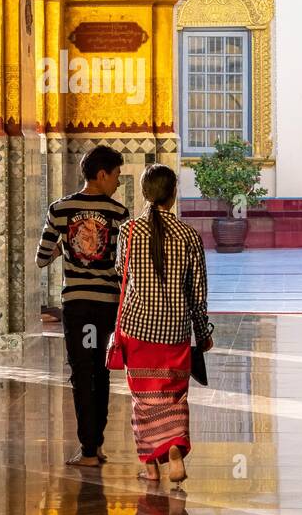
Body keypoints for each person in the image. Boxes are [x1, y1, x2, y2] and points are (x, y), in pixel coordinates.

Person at [115, 164, 213, 485]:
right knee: (173, 395)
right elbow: (197, 291)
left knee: (143, 399)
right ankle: (174, 451)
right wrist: (203, 333)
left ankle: (150, 466)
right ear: (173, 194)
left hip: (138, 330)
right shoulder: (189, 235)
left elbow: (122, 275)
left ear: (145, 193)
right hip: (175, 331)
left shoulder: (128, 231)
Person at [36, 145, 128, 467]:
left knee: (81, 372)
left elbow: (41, 258)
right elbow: (124, 266)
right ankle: (95, 444)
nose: (117, 182)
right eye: (116, 175)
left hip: (76, 305)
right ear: (101, 175)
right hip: (106, 306)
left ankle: (88, 449)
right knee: (101, 372)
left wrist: (65, 248)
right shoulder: (119, 214)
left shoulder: (59, 209)